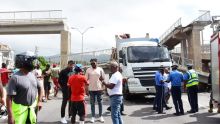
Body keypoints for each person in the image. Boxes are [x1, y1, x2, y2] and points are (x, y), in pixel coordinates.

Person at [6, 51, 43, 124]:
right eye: (32, 61)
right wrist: (10, 116)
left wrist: (39, 101)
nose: (35, 63)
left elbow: (40, 88)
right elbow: (9, 97)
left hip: (31, 111)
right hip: (19, 114)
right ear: (25, 62)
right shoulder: (15, 78)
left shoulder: (32, 75)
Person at [85, 58, 105, 123]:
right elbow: (86, 80)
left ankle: (100, 116)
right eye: (91, 63)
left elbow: (103, 79)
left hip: (99, 89)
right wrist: (86, 89)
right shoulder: (88, 70)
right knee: (92, 103)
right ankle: (93, 117)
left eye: (93, 63)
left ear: (96, 62)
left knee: (100, 103)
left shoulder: (100, 69)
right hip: (91, 89)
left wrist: (103, 88)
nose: (92, 64)